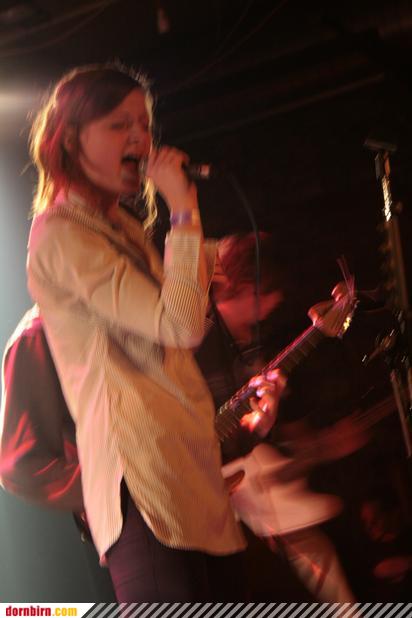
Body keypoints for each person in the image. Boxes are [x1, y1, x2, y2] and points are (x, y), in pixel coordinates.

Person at [23, 61, 283, 602]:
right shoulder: (61, 233)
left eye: (144, 124)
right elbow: (180, 325)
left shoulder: (121, 227)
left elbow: (174, 337)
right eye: (120, 125)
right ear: (70, 138)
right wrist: (183, 210)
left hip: (189, 474)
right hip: (142, 487)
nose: (140, 139)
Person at [196, 232, 357, 602]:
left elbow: (239, 433)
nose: (275, 304)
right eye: (271, 295)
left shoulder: (250, 346)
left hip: (233, 474)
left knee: (314, 549)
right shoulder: (197, 334)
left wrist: (262, 426)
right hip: (196, 489)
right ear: (250, 288)